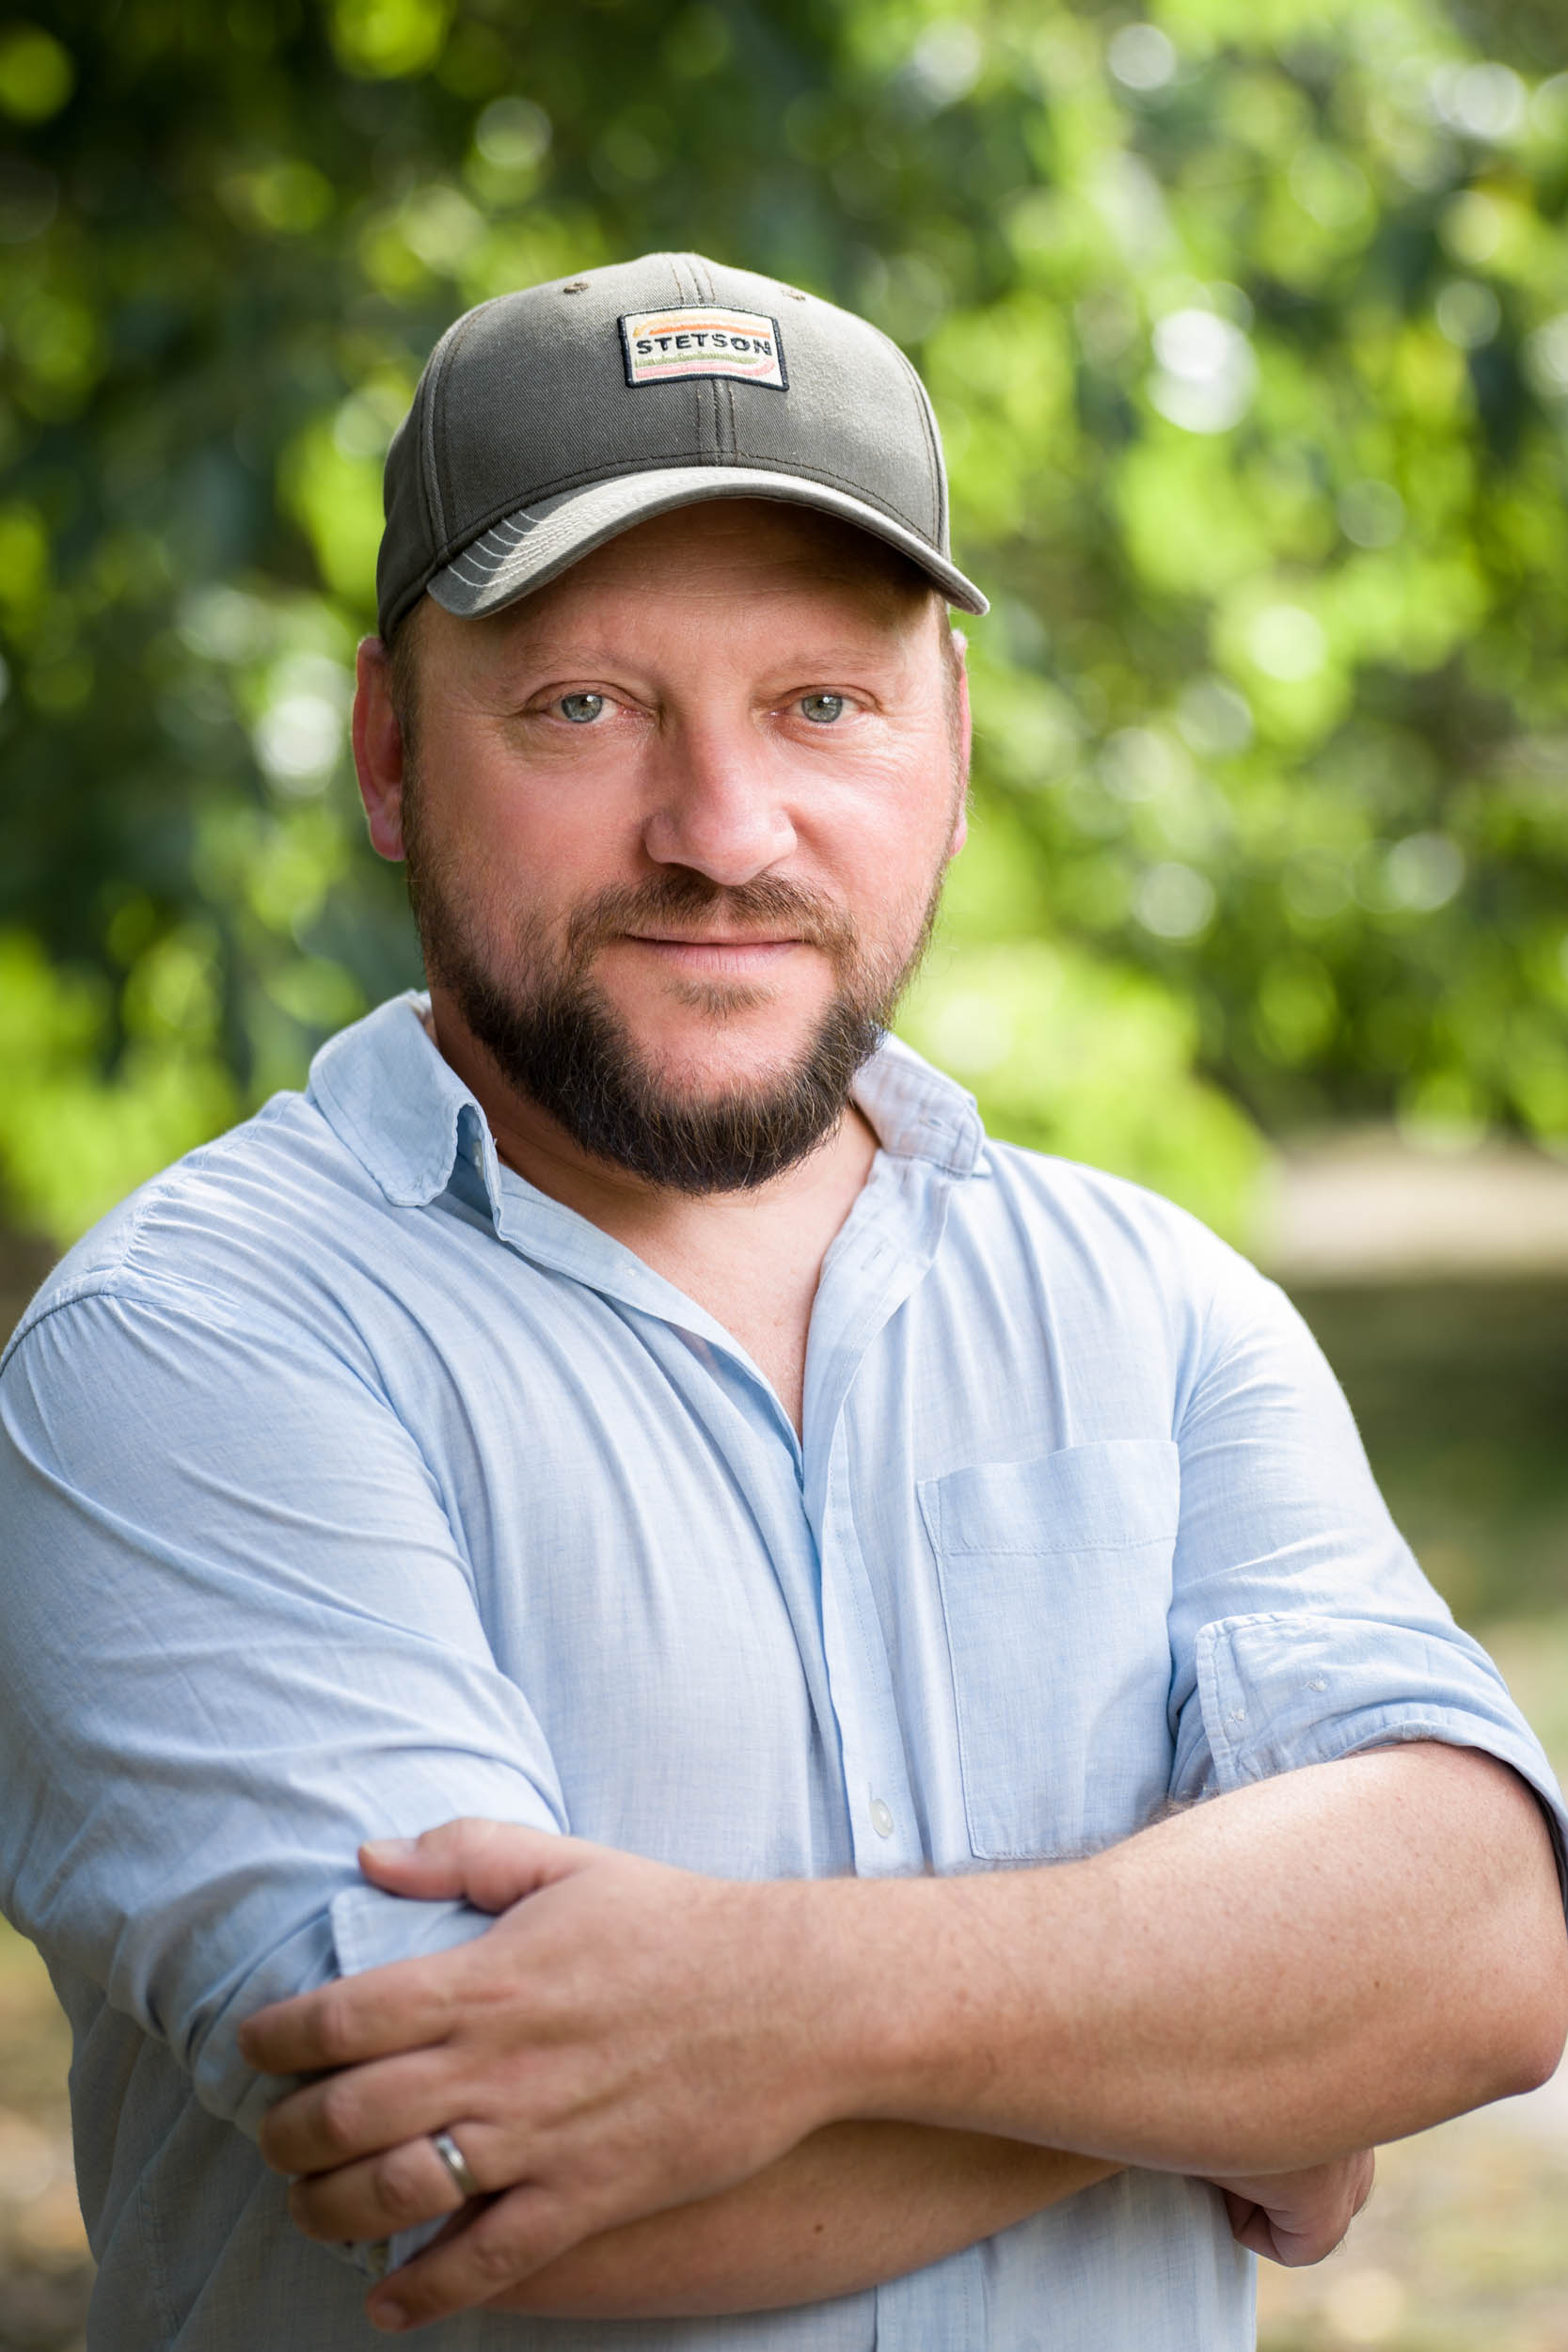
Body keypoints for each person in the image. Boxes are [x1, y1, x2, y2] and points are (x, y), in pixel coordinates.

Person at [0, 251, 1563, 2352]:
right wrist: (1230, 2055)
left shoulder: (1156, 1307)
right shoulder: (183, 1355)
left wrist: (783, 2009)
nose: (724, 831)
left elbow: (1480, 1948)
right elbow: (479, 2179)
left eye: (823, 701)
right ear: (390, 748)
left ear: (950, 746)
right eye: (586, 704)